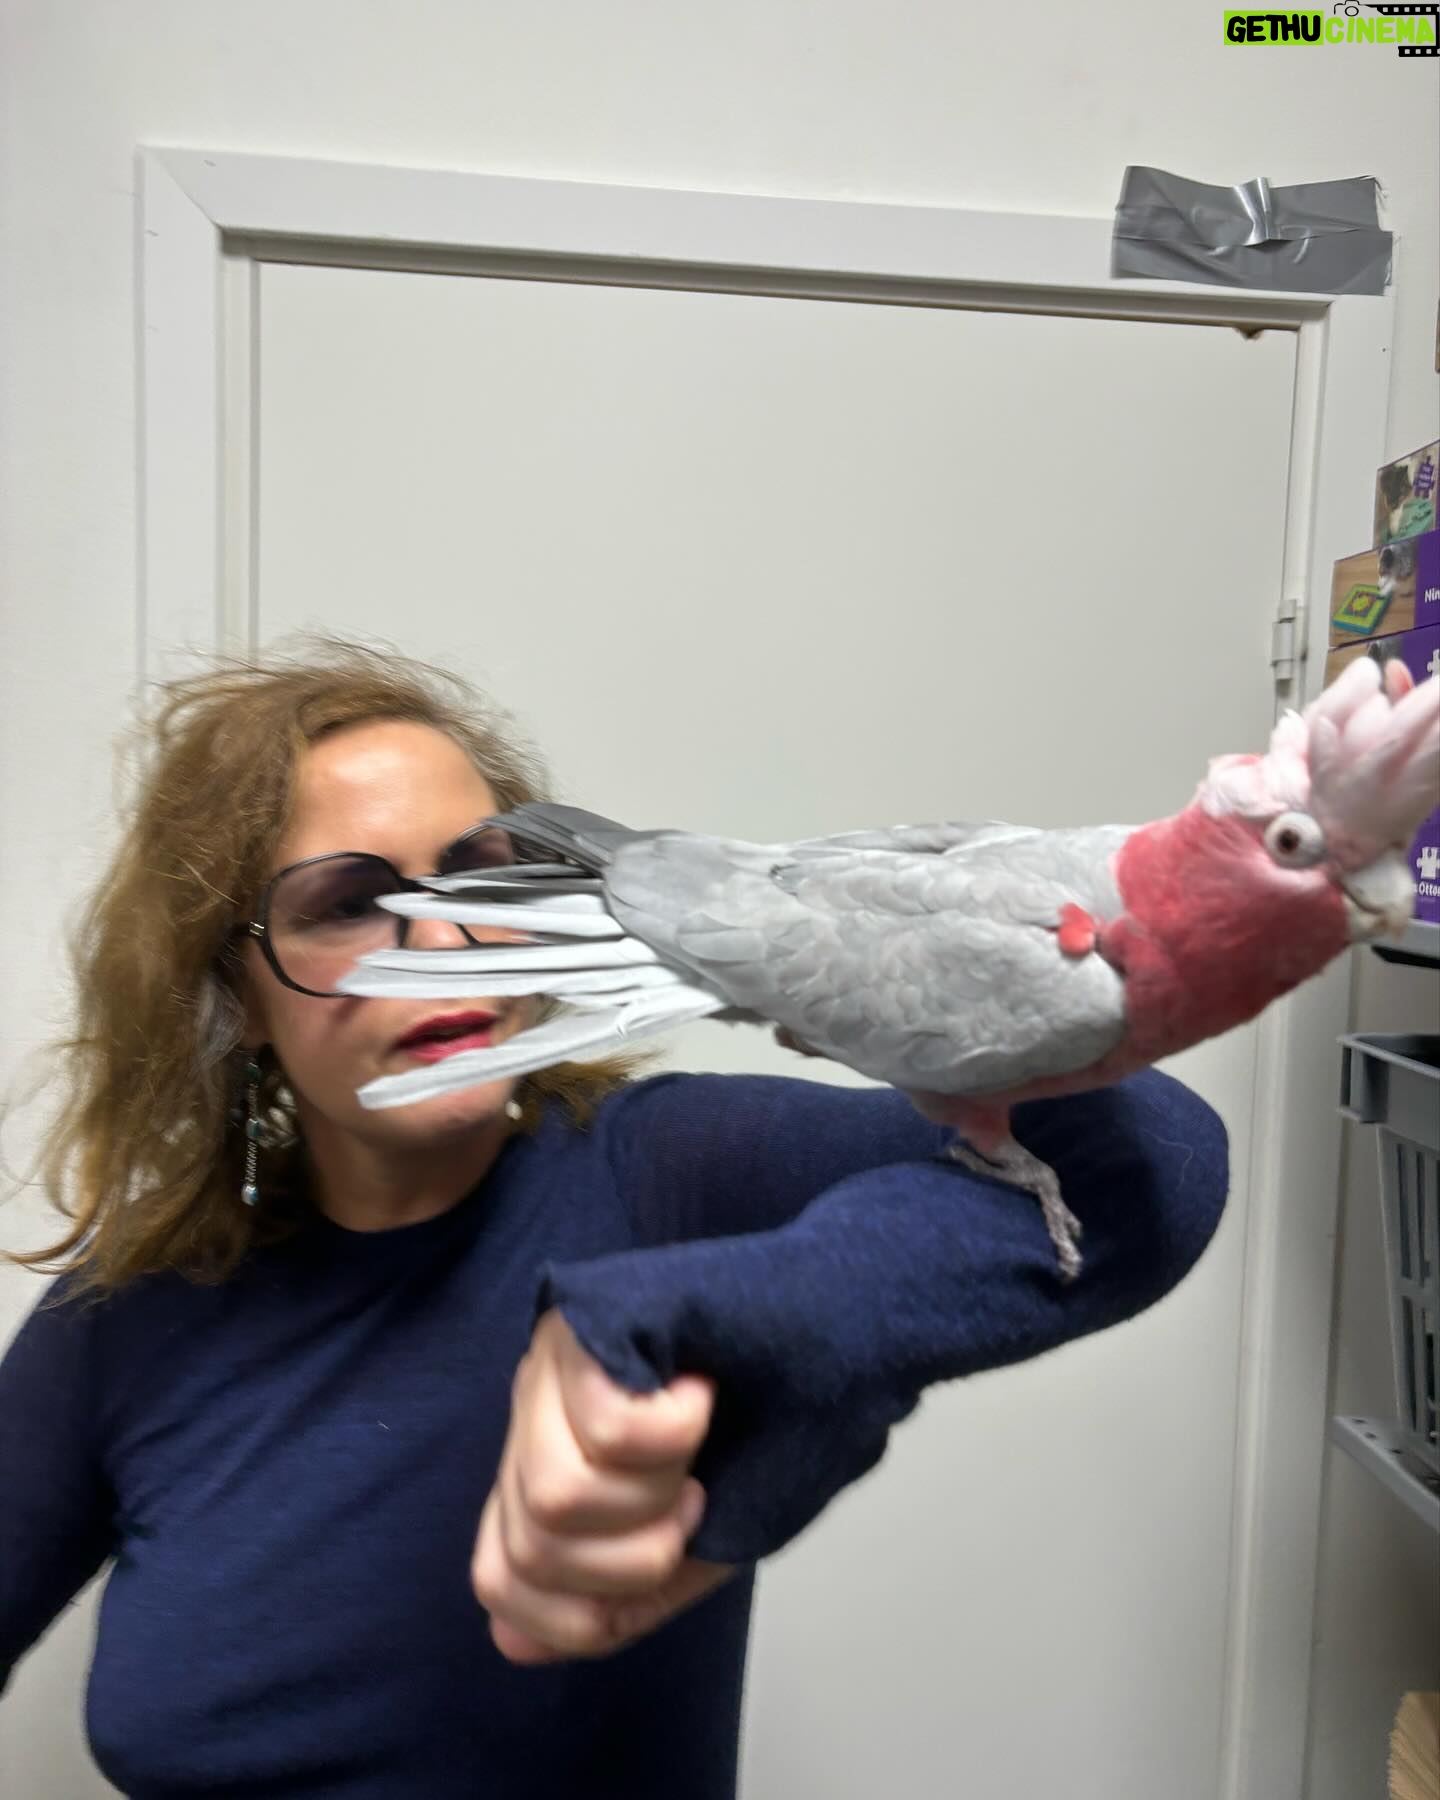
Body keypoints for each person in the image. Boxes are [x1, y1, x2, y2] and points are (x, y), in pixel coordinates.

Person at [0, 637, 1230, 1799]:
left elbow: (1154, 1158)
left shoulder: (663, 1174)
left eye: (482, 874)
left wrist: (712, 1321)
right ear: (236, 992)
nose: (448, 937)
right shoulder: (128, 1311)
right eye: (346, 904)